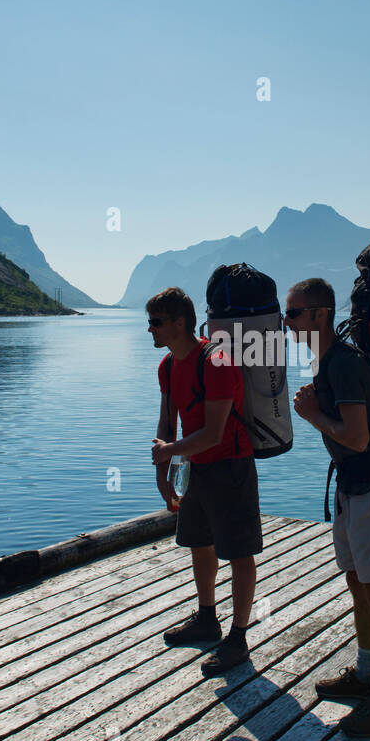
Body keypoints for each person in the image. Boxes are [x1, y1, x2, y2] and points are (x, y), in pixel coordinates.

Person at [285, 278, 370, 735]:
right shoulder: (327, 362)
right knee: (358, 584)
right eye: (286, 314)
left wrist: (312, 415)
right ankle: (364, 675)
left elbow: (356, 438)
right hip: (352, 490)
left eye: (295, 313)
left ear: (321, 315)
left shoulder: (344, 365)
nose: (287, 322)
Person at [148, 287, 263, 675]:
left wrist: (170, 452)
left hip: (231, 466)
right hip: (195, 468)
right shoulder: (167, 366)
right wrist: (163, 477)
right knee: (199, 543)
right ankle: (207, 618)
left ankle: (239, 637)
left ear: (180, 322)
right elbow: (167, 424)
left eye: (157, 322)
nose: (150, 330)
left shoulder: (216, 361)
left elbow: (214, 433)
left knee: (239, 553)